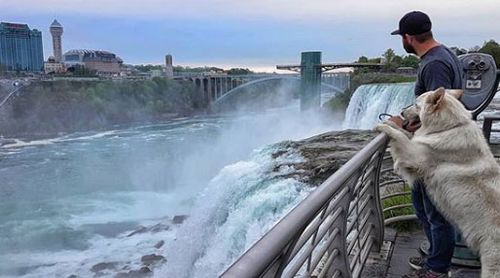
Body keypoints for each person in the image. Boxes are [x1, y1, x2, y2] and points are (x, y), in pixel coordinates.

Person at [389, 11, 463, 278]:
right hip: (434, 147)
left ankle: (437, 270)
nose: (403, 42)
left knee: (436, 213)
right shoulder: (447, 55)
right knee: (422, 205)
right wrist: (406, 120)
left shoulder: (434, 65)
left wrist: (404, 126)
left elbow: (437, 112)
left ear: (408, 38)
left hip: (436, 151)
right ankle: (435, 259)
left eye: (402, 38)